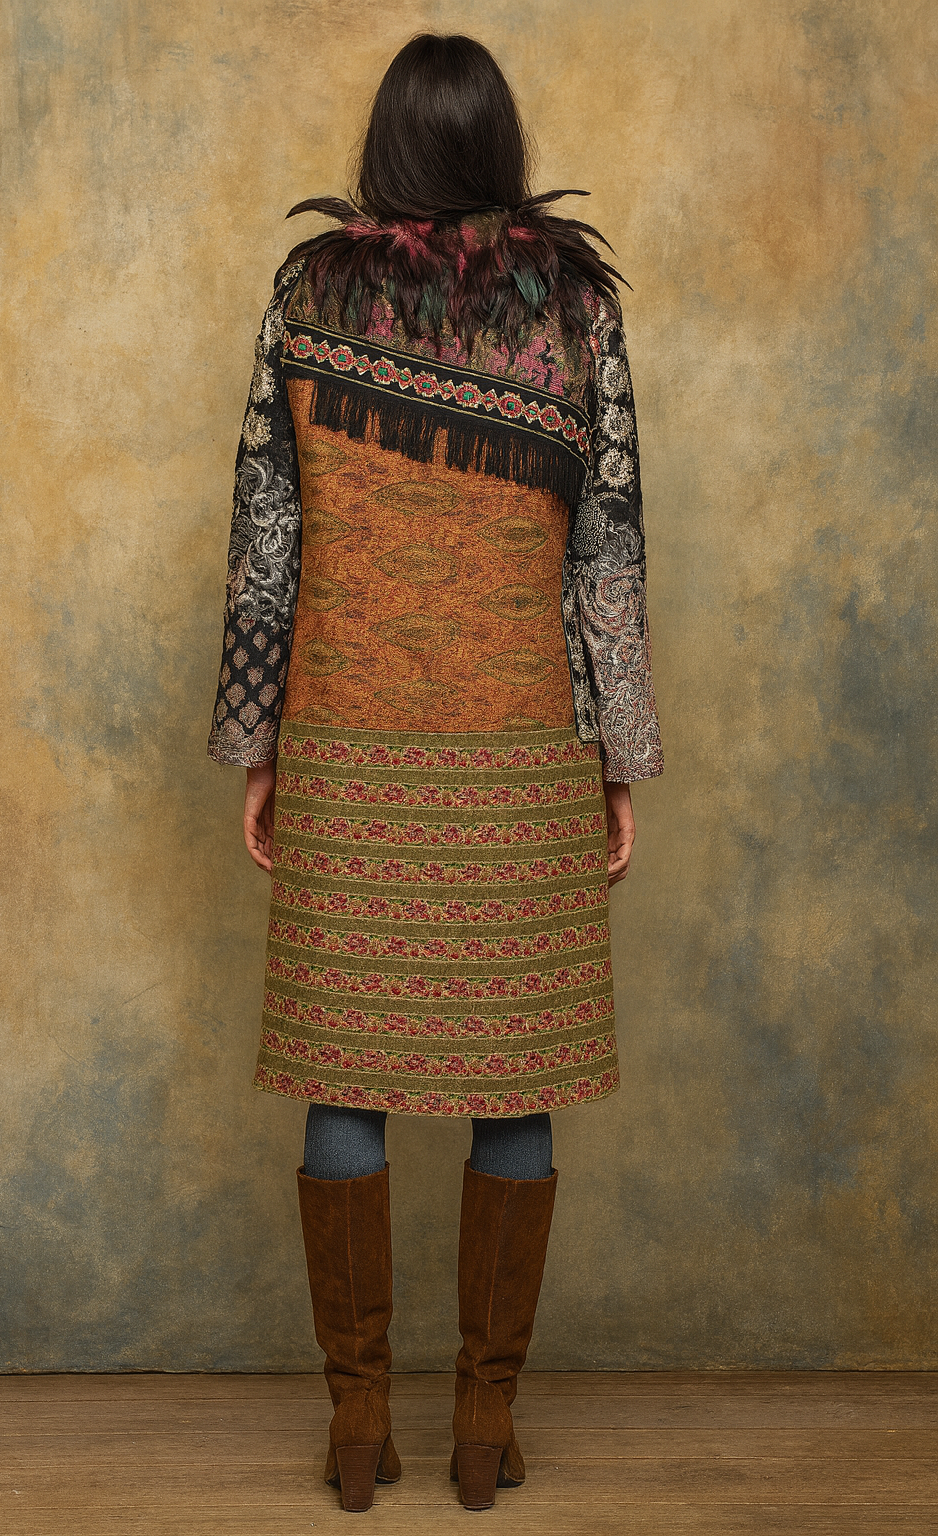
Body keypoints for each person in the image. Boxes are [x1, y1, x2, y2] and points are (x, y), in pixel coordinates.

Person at [208, 32, 662, 1513]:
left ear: (387, 149)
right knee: (510, 1079)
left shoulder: (308, 298)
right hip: (523, 746)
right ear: (503, 148)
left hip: (346, 740)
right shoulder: (574, 314)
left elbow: (266, 540)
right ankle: (481, 1427)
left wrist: (258, 743)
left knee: (344, 1073)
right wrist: (620, 755)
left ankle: (357, 1430)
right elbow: (609, 554)